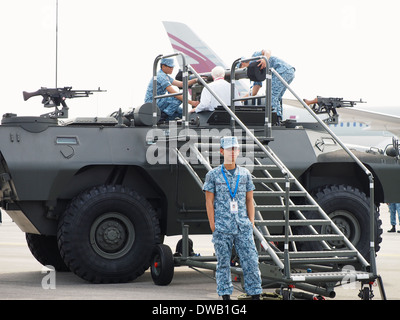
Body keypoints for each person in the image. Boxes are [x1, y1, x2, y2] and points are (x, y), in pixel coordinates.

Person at [203, 136, 262, 300]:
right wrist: (213, 226)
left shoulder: (245, 174)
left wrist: (251, 223)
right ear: (222, 151)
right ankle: (225, 296)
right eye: (229, 149)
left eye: (235, 149)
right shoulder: (213, 175)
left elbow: (250, 200)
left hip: (242, 226)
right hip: (222, 227)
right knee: (223, 264)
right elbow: (209, 201)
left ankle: (255, 293)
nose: (233, 152)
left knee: (251, 261)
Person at [240, 50, 295, 120]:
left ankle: (273, 118)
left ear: (242, 63)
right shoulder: (253, 72)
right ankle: (278, 118)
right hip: (289, 72)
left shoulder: (255, 57)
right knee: (276, 97)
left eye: (241, 68)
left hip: (282, 70)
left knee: (271, 94)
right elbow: (254, 91)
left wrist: (264, 59)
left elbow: (267, 51)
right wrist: (241, 99)